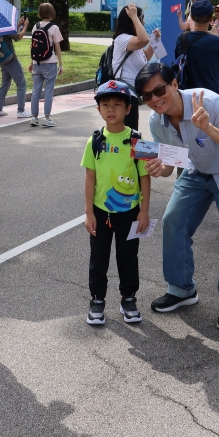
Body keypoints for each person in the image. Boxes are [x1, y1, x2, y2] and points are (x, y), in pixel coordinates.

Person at [136, 62, 219, 332]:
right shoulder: (156, 121)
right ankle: (181, 289)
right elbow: (170, 165)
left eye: (159, 90)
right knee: (172, 221)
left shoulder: (209, 103)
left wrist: (208, 128)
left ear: (174, 84)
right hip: (198, 171)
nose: (154, 99)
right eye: (146, 96)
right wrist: (158, 167)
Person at [82, 80, 150, 326]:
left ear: (128, 108)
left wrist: (144, 211)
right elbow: (90, 177)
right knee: (99, 258)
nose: (111, 109)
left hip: (130, 212)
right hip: (101, 212)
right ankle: (97, 300)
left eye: (117, 105)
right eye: (105, 105)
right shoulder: (95, 141)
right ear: (98, 109)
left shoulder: (137, 140)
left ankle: (128, 298)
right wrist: (89, 212)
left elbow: (145, 177)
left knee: (128, 257)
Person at [176, 0, 219, 94]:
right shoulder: (216, 41)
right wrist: (216, 36)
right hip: (210, 95)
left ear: (191, 17)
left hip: (187, 94)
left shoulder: (181, 38)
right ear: (211, 18)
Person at [111, 3, 153, 130]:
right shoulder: (122, 39)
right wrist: (134, 16)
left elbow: (145, 57)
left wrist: (154, 40)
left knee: (131, 132)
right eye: (141, 18)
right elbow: (144, 40)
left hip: (132, 95)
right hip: (124, 94)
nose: (143, 22)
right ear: (131, 20)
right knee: (128, 133)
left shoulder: (133, 42)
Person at [28, 3, 63, 128]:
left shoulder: (35, 26)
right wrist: (61, 64)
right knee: (48, 90)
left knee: (36, 90)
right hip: (50, 62)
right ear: (52, 13)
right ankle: (47, 118)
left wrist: (31, 62)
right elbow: (57, 48)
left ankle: (34, 117)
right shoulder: (54, 28)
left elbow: (33, 46)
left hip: (37, 63)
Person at [0, 15, 30, 118]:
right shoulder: (4, 26)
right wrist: (25, 26)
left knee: (5, 84)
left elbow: (10, 34)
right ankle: (21, 110)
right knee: (21, 83)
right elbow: (18, 37)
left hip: (1, 59)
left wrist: (18, 25)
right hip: (11, 60)